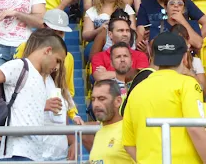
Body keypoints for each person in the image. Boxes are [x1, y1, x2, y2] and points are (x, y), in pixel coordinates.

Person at [0, 28, 69, 162]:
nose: (57, 67)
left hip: (34, 154)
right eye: (57, 60)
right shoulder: (20, 66)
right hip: (16, 151)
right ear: (47, 51)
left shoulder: (41, 78)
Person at [123, 32, 206, 162]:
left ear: (153, 57)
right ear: (185, 57)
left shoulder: (137, 90)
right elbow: (195, 128)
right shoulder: (187, 84)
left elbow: (128, 144)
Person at [85, 80, 133, 163]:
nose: (96, 104)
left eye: (101, 99)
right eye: (93, 99)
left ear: (118, 101)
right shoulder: (99, 131)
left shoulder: (128, 129)